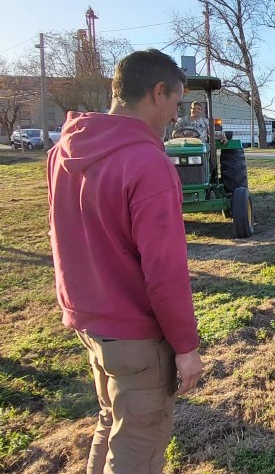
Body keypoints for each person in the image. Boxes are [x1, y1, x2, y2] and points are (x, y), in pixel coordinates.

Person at [47, 49, 204, 473]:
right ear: (158, 92)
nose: (175, 116)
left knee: (111, 422)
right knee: (138, 444)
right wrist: (187, 347)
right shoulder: (148, 162)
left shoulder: (63, 150)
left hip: (90, 322)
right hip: (135, 336)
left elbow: (62, 233)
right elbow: (165, 273)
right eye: (175, 103)